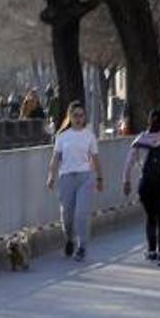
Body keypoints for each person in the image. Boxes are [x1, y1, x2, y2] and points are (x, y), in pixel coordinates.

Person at [122, 109, 160, 266]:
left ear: (148, 121)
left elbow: (128, 163)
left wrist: (126, 181)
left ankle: (151, 251)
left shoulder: (140, 140)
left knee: (151, 218)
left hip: (147, 185)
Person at [47, 101, 105, 262]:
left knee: (81, 214)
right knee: (67, 215)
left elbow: (95, 158)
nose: (79, 118)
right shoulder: (62, 136)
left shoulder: (89, 135)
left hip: (85, 177)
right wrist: (51, 176)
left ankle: (82, 246)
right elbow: (56, 158)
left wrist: (100, 178)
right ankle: (69, 240)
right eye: (75, 115)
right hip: (66, 177)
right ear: (70, 117)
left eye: (81, 115)